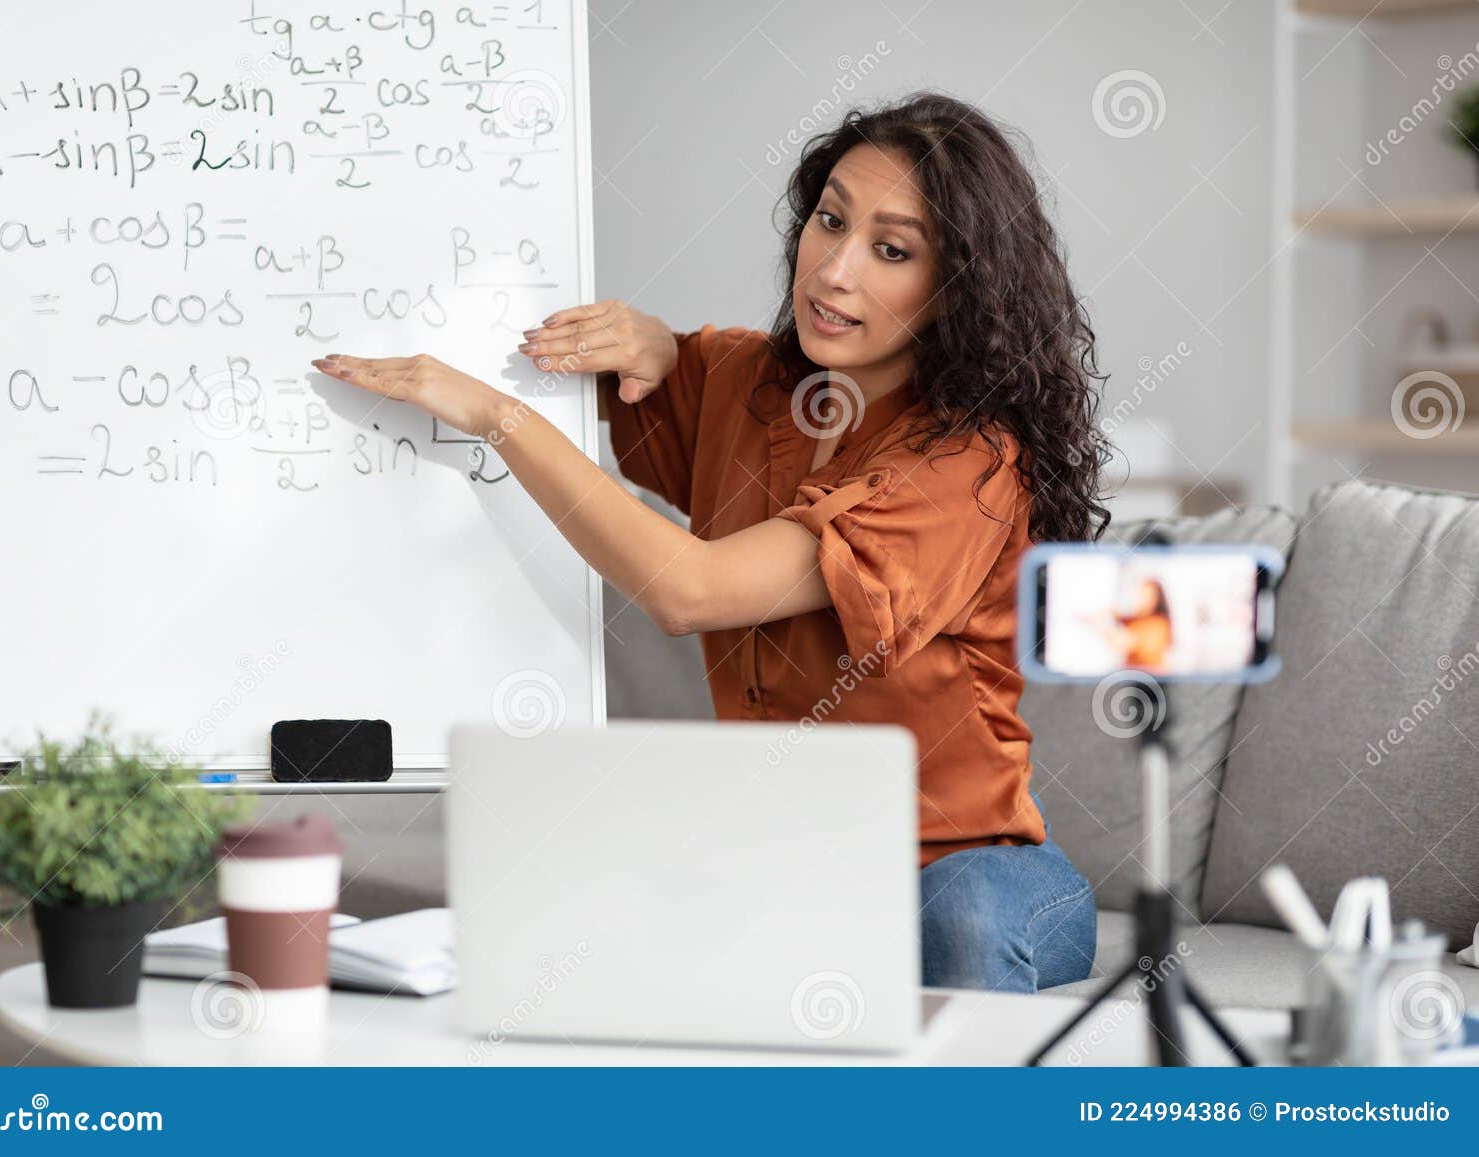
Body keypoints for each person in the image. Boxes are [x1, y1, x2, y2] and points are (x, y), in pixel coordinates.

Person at [312, 91, 1112, 992]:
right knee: (584, 915)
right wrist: (640, 341)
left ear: (953, 289)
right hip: (784, 865)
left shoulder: (969, 467)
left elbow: (687, 589)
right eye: (829, 220)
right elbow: (620, 380)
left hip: (971, 867)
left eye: (891, 251)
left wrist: (492, 417)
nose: (833, 270)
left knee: (952, 922)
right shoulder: (741, 378)